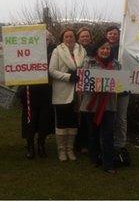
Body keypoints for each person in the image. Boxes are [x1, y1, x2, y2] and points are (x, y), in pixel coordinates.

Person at [80, 38, 120, 174]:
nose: (105, 51)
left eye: (108, 48)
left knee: (108, 134)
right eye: (102, 48)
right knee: (93, 134)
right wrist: (95, 84)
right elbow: (82, 83)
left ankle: (108, 164)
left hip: (108, 105)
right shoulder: (88, 62)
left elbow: (119, 84)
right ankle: (94, 158)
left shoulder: (116, 64)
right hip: (91, 104)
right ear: (97, 49)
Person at [49, 28, 86, 161]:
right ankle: (61, 150)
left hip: (78, 92)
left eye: (71, 36)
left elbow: (85, 68)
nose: (69, 39)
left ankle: (70, 150)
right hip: (62, 92)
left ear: (75, 38)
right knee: (62, 122)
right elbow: (52, 71)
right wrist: (69, 77)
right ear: (62, 39)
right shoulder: (57, 51)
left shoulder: (81, 50)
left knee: (73, 122)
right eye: (66, 37)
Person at [18, 30, 56, 159]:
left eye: (46, 39)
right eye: (41, 39)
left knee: (44, 120)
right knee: (29, 120)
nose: (44, 42)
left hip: (46, 91)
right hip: (29, 91)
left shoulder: (54, 53)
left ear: (50, 41)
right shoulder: (26, 52)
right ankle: (29, 145)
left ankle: (41, 144)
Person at [105, 25, 131, 166]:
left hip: (123, 88)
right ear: (106, 35)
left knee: (121, 118)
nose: (113, 36)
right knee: (108, 117)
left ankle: (120, 144)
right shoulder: (103, 48)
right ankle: (108, 142)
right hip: (107, 89)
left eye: (115, 33)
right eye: (110, 33)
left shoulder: (125, 48)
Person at [75, 27, 94, 154]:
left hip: (91, 87)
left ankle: (87, 143)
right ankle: (77, 143)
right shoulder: (75, 50)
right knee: (77, 116)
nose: (85, 38)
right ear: (78, 38)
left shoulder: (94, 50)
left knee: (88, 116)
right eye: (82, 36)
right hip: (77, 87)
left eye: (87, 36)